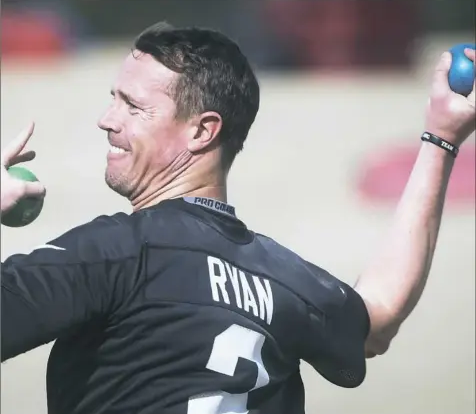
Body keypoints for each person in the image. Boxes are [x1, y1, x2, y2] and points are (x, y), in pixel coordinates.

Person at [1, 22, 475, 414]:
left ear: (202, 131)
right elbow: (379, 316)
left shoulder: (115, 253)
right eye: (114, 99)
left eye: (133, 106)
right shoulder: (285, 280)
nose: (107, 118)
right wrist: (442, 136)